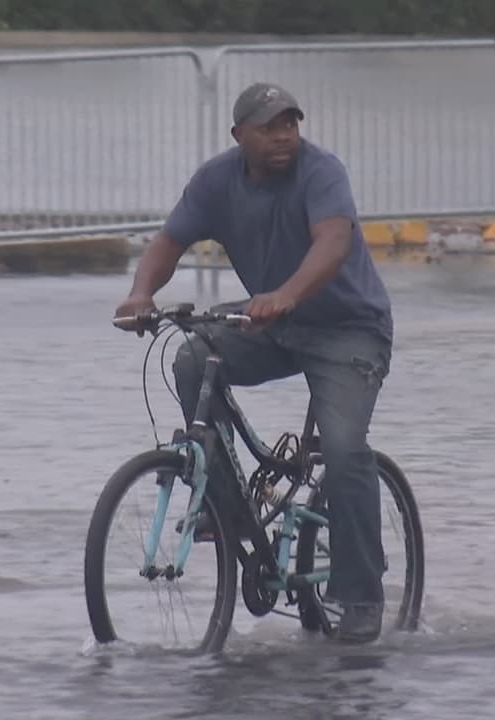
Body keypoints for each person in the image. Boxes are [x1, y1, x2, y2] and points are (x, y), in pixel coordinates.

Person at [112, 82, 394, 644]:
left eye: (290, 123)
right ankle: (229, 509)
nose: (284, 134)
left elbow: (333, 243)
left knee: (342, 450)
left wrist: (287, 293)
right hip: (274, 320)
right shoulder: (216, 181)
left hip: (348, 329)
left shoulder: (321, 172)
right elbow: (169, 242)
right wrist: (141, 293)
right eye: (269, 126)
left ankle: (360, 594)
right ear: (240, 135)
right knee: (193, 357)